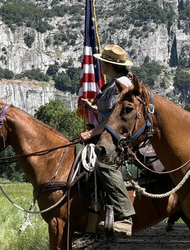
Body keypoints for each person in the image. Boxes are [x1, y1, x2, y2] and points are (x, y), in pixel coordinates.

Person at [79, 44, 136, 236]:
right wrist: (93, 109)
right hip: (108, 133)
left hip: (118, 137)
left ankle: (125, 215)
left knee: (103, 164)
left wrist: (92, 132)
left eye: (102, 61)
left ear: (109, 65)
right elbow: (106, 112)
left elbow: (115, 117)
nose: (100, 64)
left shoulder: (123, 85)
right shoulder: (114, 82)